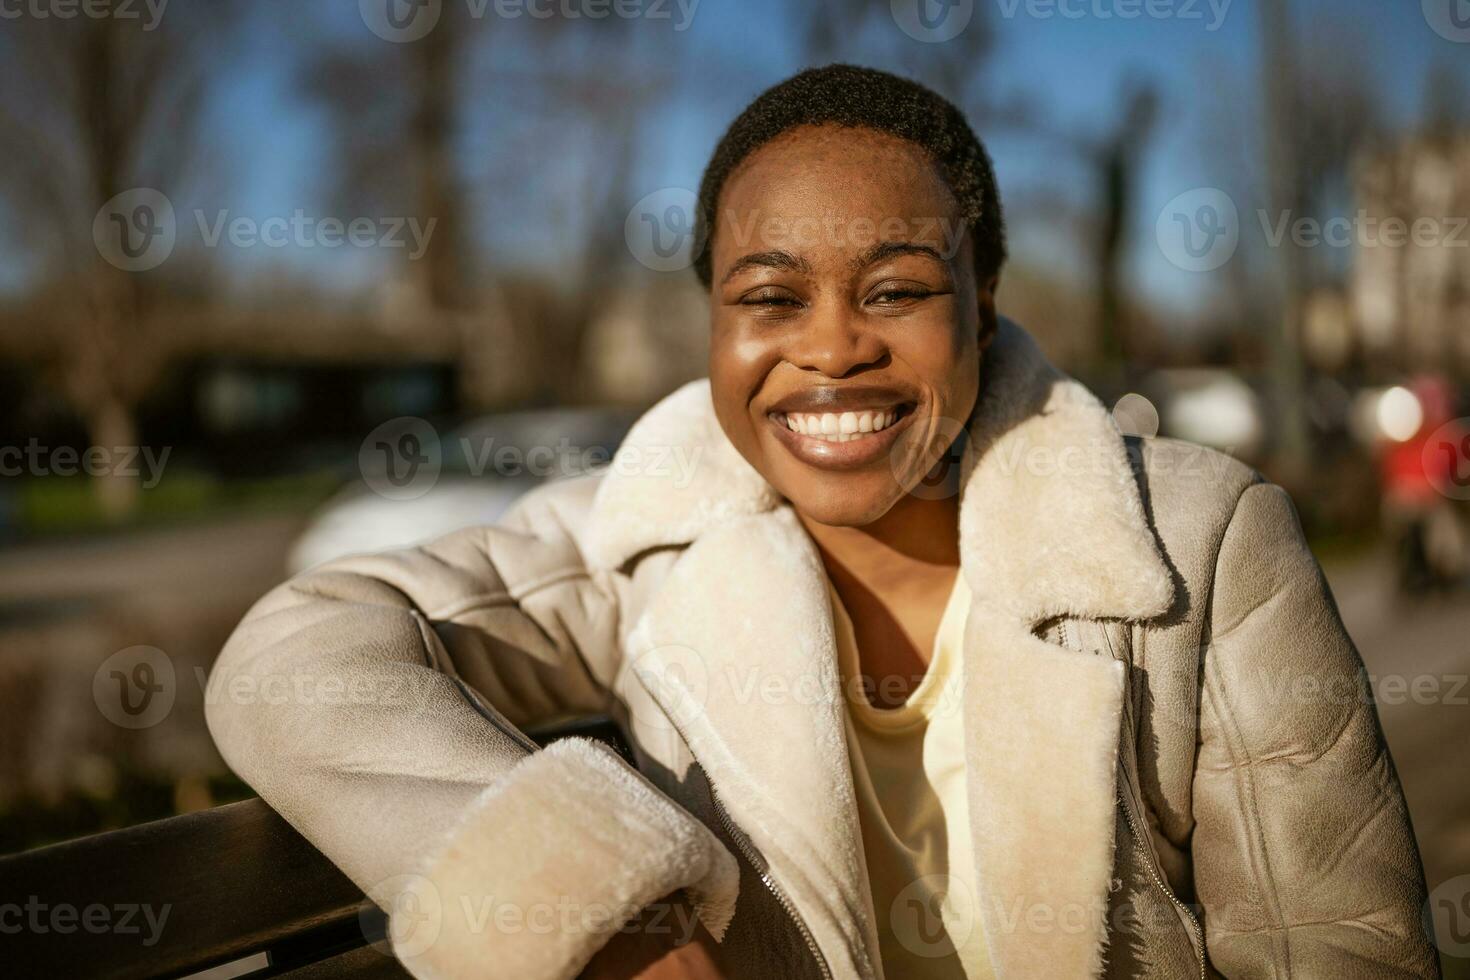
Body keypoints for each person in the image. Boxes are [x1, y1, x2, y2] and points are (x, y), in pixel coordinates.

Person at [207, 65, 1438, 979]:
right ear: (714, 324)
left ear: (983, 298)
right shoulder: (636, 536)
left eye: (897, 287)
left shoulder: (1199, 541)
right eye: (771, 296)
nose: (835, 345)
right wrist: (591, 905)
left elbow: (1341, 944)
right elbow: (294, 658)